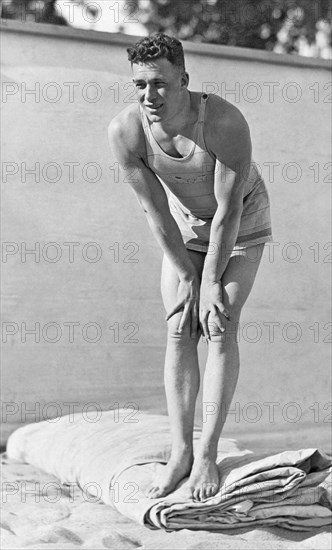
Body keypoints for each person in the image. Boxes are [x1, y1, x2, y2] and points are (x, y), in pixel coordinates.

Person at [108, 32, 273, 502]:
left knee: (218, 323)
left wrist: (212, 284)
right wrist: (187, 276)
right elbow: (155, 211)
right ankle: (181, 450)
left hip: (240, 221)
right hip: (184, 227)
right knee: (180, 326)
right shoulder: (126, 131)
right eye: (139, 85)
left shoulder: (223, 121)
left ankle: (207, 453)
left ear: (184, 79)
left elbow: (228, 211)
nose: (148, 96)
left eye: (158, 84)